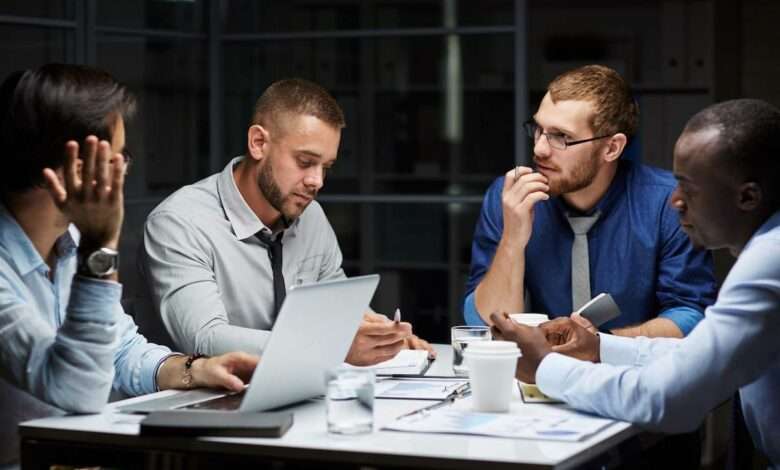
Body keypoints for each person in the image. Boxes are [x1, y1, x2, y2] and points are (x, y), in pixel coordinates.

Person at [490, 98, 780, 466]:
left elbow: (666, 401)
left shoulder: (769, 263)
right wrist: (598, 347)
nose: (675, 201)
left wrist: (544, 366)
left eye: (688, 188)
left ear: (748, 197)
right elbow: (696, 356)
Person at [0, 65, 259, 464]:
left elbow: (119, 349)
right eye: (119, 155)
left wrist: (196, 370)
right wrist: (100, 246)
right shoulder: (74, 252)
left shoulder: (68, 246)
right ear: (75, 167)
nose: (125, 167)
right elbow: (77, 387)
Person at [142, 78, 433, 365]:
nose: (317, 181)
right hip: (200, 404)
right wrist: (331, 347)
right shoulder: (180, 222)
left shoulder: (311, 215)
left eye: (326, 167)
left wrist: (382, 337)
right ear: (258, 143)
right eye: (305, 162)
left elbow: (338, 305)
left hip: (297, 394)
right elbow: (204, 339)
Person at [465, 65, 716, 338]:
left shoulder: (666, 203)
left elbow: (690, 314)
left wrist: (600, 347)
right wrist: (512, 240)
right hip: (537, 376)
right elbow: (483, 322)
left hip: (636, 371)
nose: (539, 149)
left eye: (562, 137)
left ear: (611, 148)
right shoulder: (512, 196)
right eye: (538, 129)